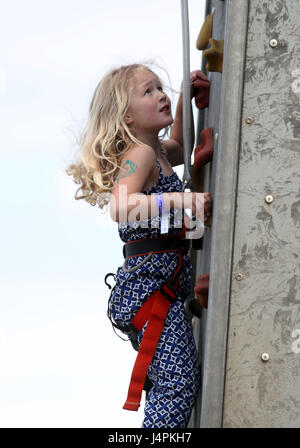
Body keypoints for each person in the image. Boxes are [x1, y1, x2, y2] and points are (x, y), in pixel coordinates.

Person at [66, 63, 212, 428]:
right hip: (150, 291)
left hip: (161, 290)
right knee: (177, 384)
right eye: (148, 91)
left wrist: (183, 104)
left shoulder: (158, 151)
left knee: (173, 379)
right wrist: (184, 202)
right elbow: (121, 206)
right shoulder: (141, 154)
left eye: (160, 87)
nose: (160, 94)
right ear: (127, 117)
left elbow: (181, 144)